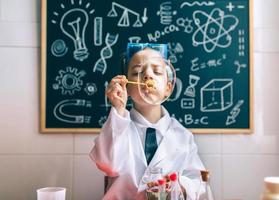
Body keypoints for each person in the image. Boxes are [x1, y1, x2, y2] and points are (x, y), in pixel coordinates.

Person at [90, 43, 205, 200]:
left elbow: (198, 182)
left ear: (168, 88)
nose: (148, 76)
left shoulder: (183, 137)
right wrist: (118, 109)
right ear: (127, 88)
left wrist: (178, 185)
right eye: (137, 72)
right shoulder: (117, 125)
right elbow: (107, 164)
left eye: (157, 72)